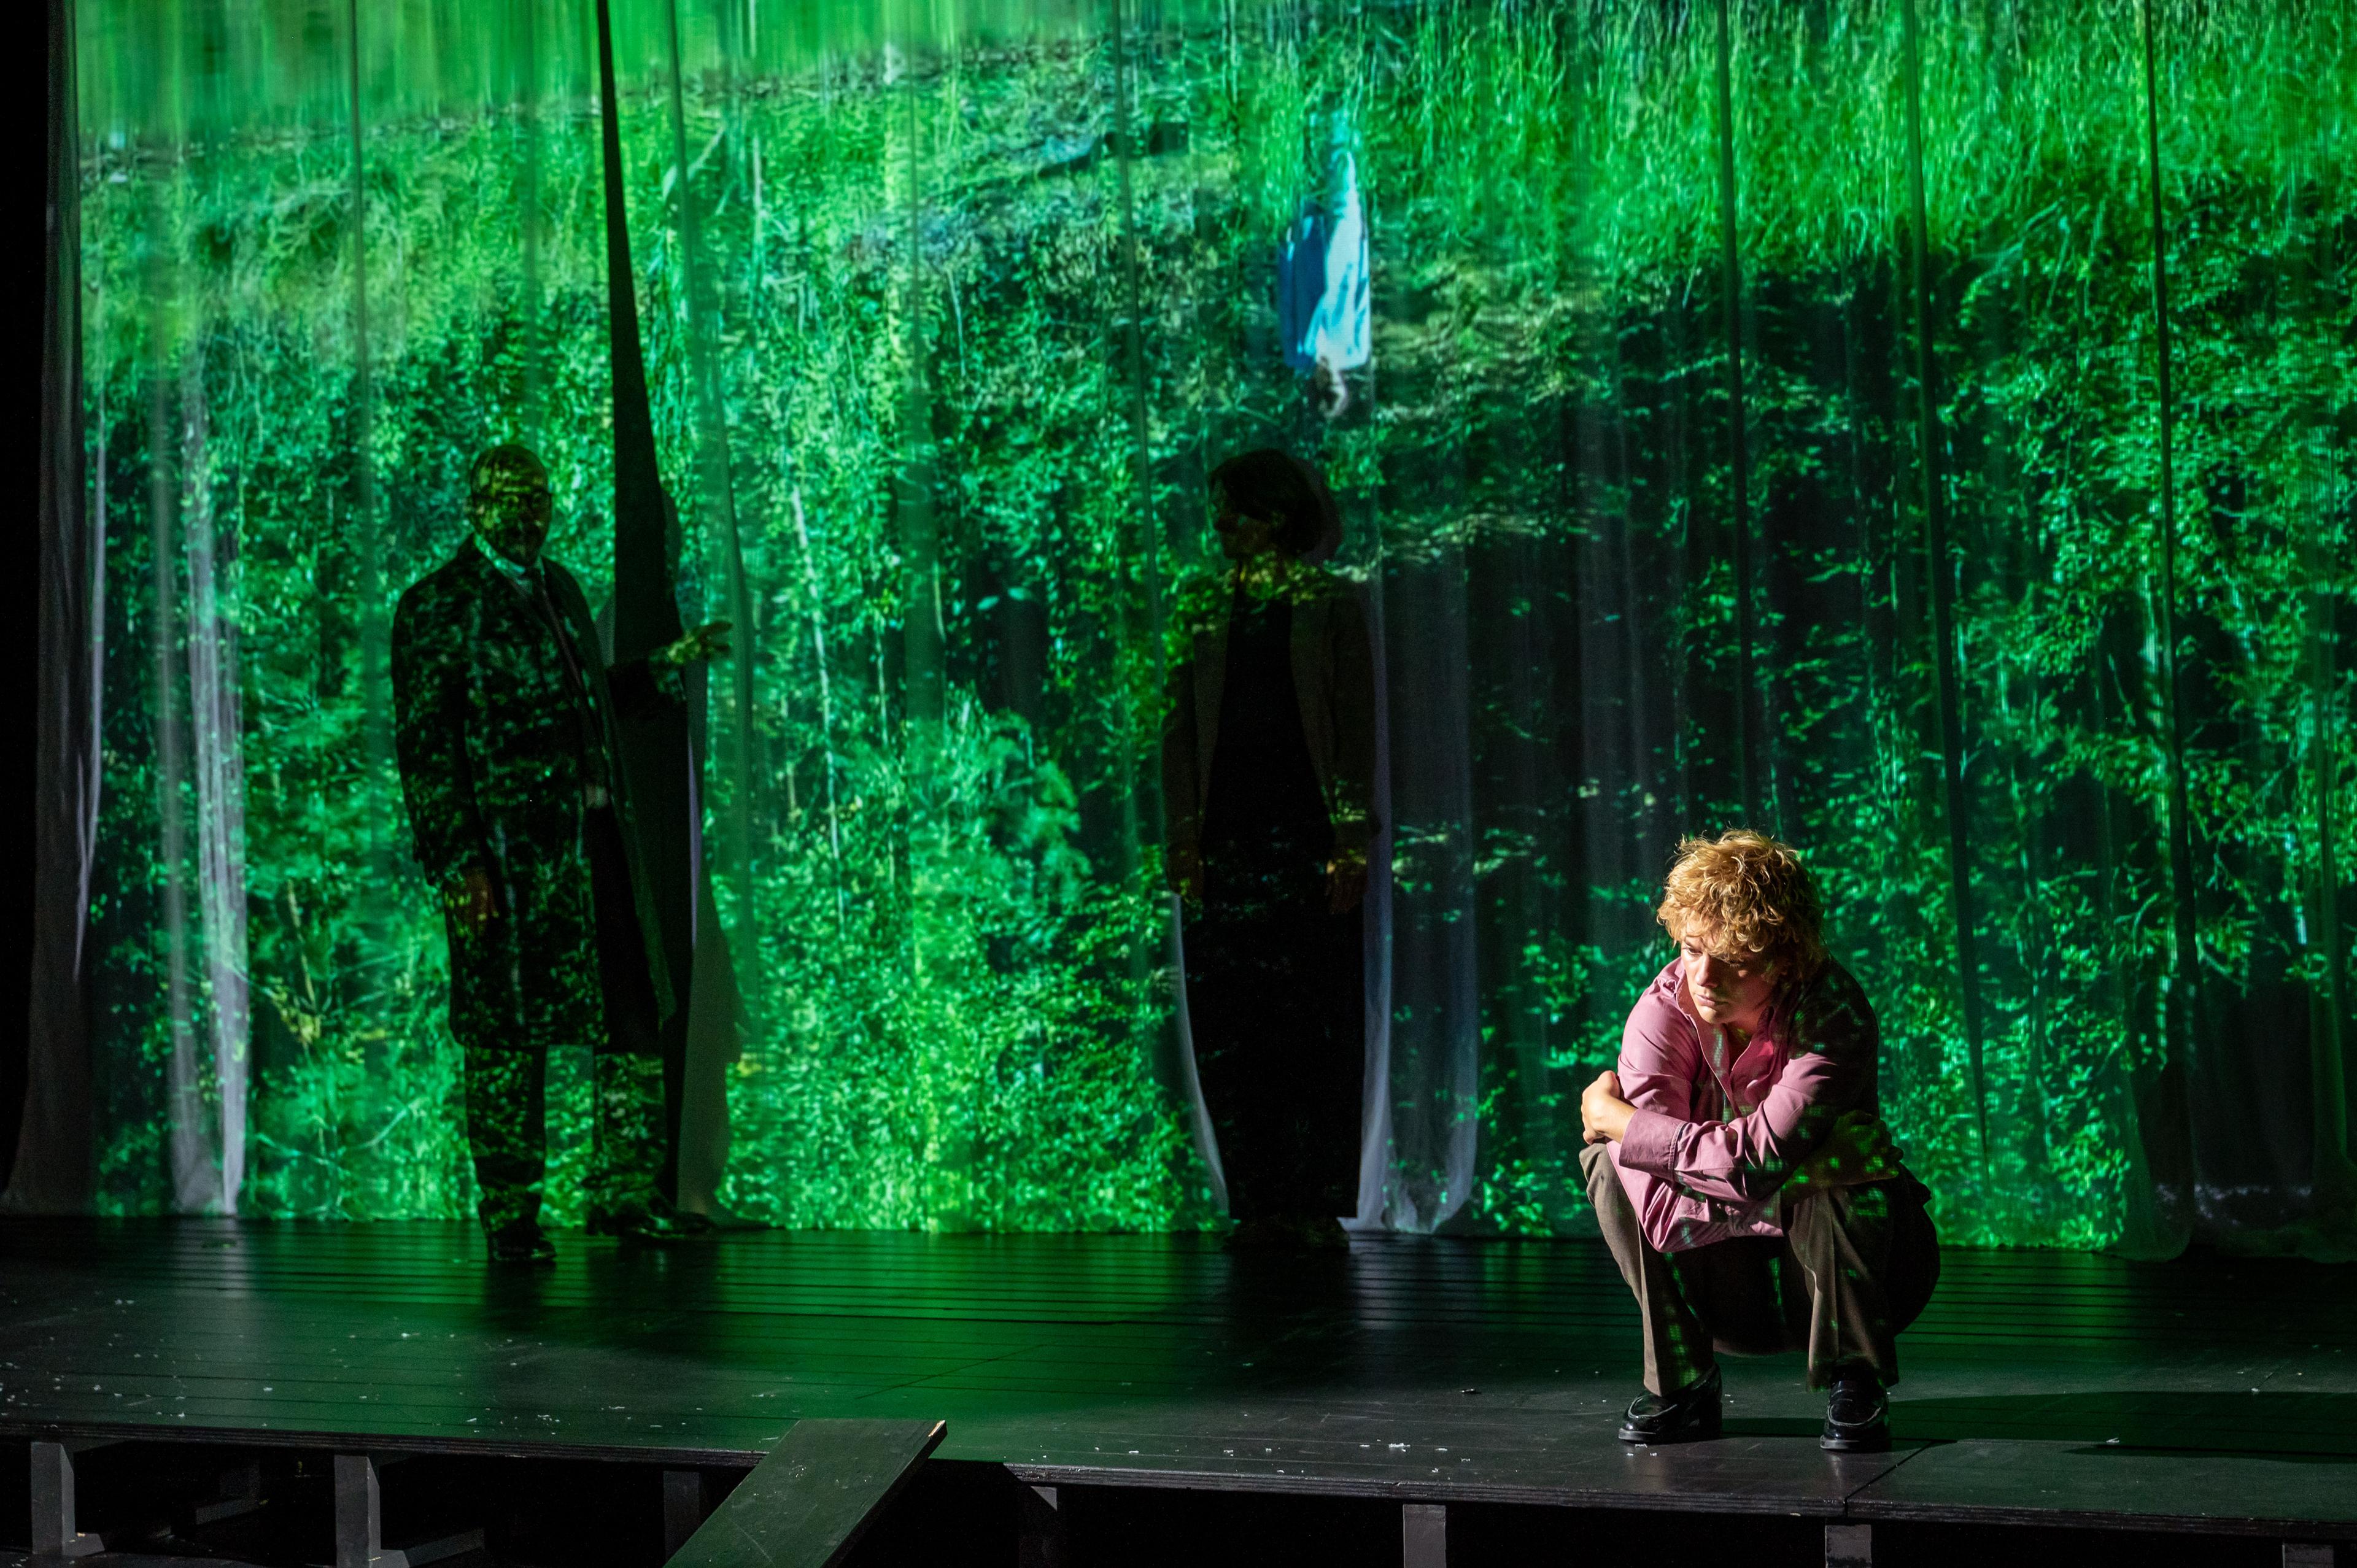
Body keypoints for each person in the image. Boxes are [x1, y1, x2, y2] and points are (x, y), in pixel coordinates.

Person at [392, 445, 730, 1264]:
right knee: (508, 1034)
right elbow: (427, 747)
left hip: (595, 848)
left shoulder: (564, 588)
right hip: (509, 863)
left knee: (631, 1017)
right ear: (475, 504)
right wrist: (459, 860)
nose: (529, 509)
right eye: (511, 495)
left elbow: (590, 706)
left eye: (540, 494)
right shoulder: (439, 605)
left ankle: (624, 1192)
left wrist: (663, 667)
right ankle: (511, 1212)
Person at [1577, 830, 1940, 1451]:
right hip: (1719, 1288)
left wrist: (1624, 1121)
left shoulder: (1832, 1012)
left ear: (1786, 958)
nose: (1704, 975)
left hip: (1855, 1279)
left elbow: (1747, 1166)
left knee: (1853, 1181)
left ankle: (1856, 1374)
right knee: (1609, 1165)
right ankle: (1683, 1384)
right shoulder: (1659, 1014)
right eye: (1692, 949)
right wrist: (1801, 1175)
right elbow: (1662, 1217)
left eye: (1735, 958)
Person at [1163, 450, 1377, 1251]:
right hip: (1225, 844)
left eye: (1233, 511)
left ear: (1277, 514)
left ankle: (1315, 1201)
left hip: (1308, 841)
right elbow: (1175, 733)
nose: (1220, 527)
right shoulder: (1200, 604)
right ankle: (1255, 1200)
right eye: (1216, 512)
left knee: (1315, 1022)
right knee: (1235, 1022)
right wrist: (1183, 840)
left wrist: (1350, 843)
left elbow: (1355, 733)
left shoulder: (1331, 604)